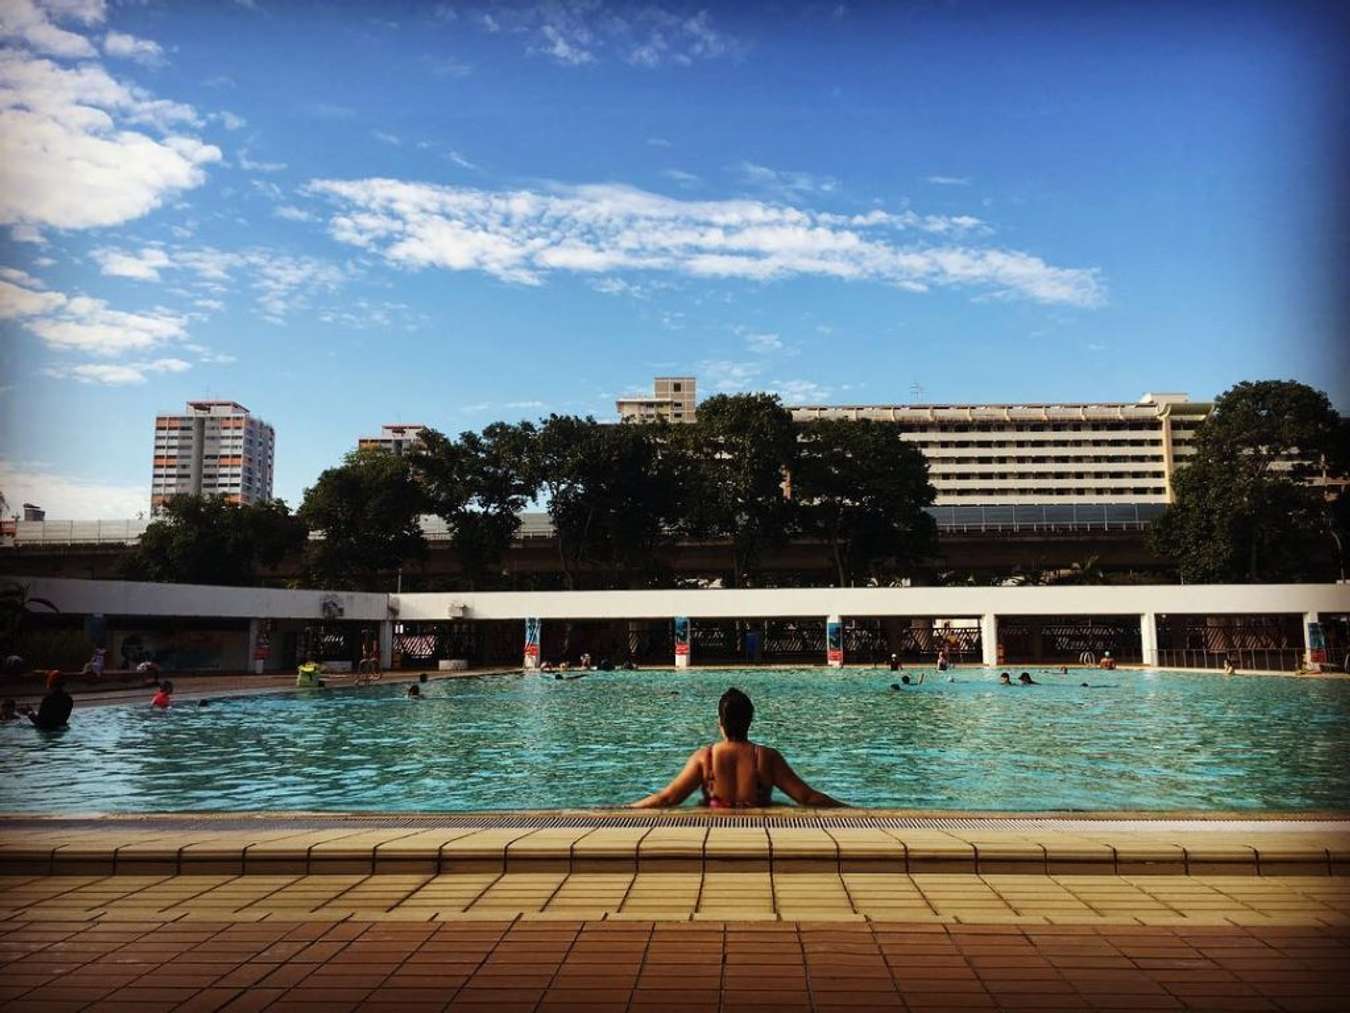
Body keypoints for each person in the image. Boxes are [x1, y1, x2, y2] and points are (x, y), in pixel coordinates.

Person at [631, 687, 844, 809]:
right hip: (759, 838)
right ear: (750, 721)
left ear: (720, 723)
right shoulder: (766, 757)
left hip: (713, 837)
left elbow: (668, 798)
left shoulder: (705, 758)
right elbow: (806, 797)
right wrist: (854, 810)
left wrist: (625, 810)